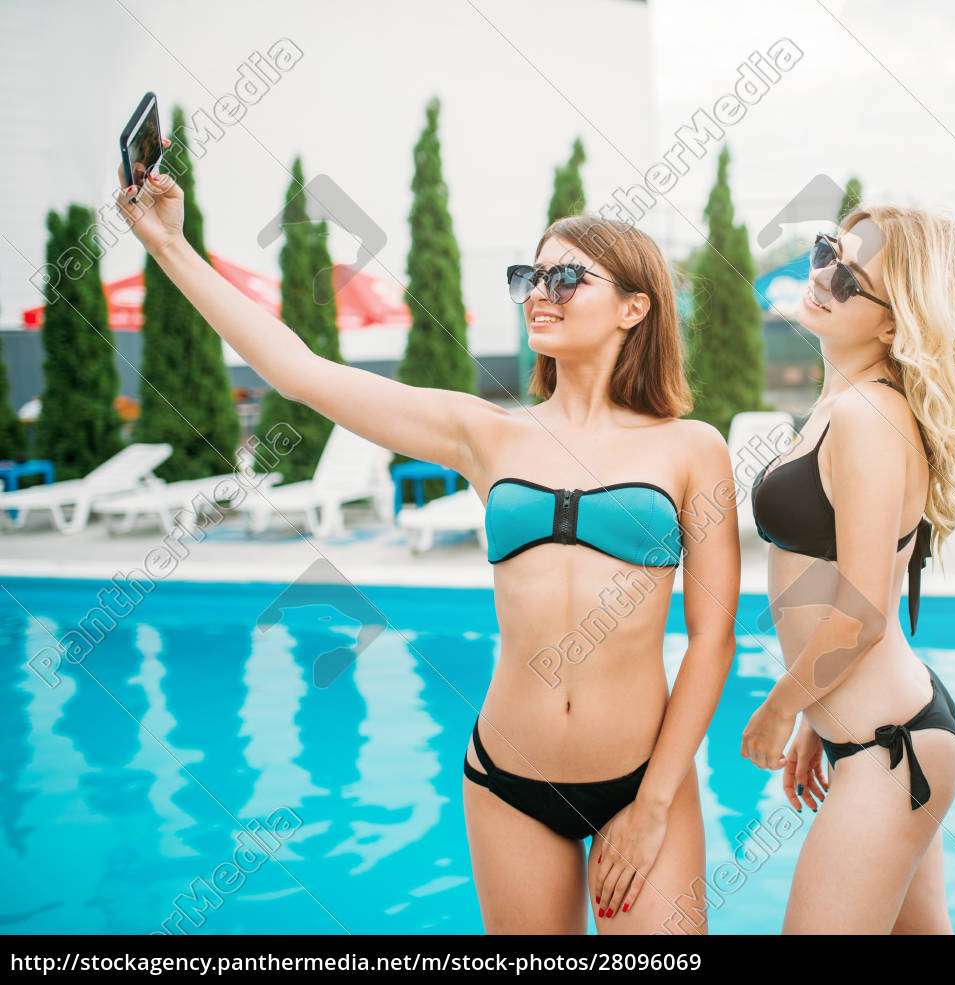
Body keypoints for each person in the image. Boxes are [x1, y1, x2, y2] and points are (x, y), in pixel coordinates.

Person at [116, 149, 738, 935]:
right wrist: (168, 243)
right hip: (508, 777)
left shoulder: (692, 449)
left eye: (566, 278)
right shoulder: (484, 433)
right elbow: (300, 371)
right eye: (529, 276)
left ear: (635, 308)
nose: (538, 294)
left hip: (643, 781)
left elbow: (714, 636)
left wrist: (653, 804)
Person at [740, 205, 955, 933]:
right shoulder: (840, 403)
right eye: (826, 253)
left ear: (891, 324)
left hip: (891, 748)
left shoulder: (867, 417)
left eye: (851, 278)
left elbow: (864, 609)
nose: (822, 276)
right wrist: (823, 714)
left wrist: (782, 707)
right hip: (881, 732)